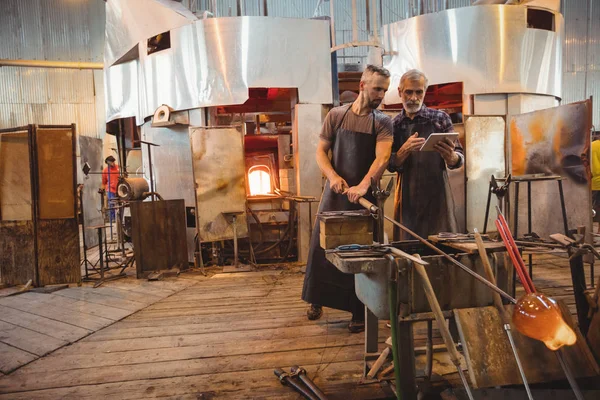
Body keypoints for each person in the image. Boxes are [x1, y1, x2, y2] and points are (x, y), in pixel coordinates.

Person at [301, 65, 394, 333]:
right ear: (363, 84)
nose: (381, 95)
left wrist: (364, 185)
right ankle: (317, 299)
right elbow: (320, 152)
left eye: (385, 90)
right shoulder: (337, 115)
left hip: (363, 199)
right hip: (336, 193)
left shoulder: (383, 122)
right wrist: (332, 177)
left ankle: (358, 310)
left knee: (361, 255)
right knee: (322, 249)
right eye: (377, 88)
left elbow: (383, 158)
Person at [388, 69, 464, 240]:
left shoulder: (440, 119)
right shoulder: (394, 125)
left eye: (418, 92)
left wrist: (451, 157)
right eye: (409, 92)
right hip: (407, 199)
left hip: (438, 197)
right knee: (408, 249)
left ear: (425, 92)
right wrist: (403, 151)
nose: (414, 98)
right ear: (400, 92)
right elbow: (391, 165)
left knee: (442, 248)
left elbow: (459, 158)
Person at [101, 155, 120, 223]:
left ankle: (120, 218)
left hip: (119, 189)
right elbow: (104, 181)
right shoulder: (105, 170)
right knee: (111, 204)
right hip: (110, 190)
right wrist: (102, 189)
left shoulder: (118, 168)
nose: (112, 164)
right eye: (110, 162)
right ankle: (112, 218)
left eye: (112, 162)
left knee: (120, 204)